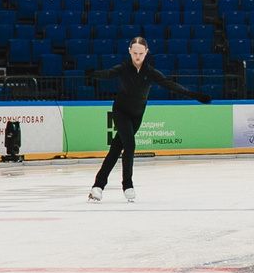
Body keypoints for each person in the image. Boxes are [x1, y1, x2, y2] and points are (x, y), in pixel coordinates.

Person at [87, 35, 211, 197]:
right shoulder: (123, 68)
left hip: (137, 115)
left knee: (116, 148)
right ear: (130, 51)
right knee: (129, 145)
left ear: (146, 52)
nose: (137, 57)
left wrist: (195, 95)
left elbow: (169, 84)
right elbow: (107, 74)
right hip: (120, 111)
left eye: (141, 54)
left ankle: (98, 186)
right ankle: (128, 186)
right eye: (135, 53)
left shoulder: (150, 72)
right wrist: (91, 73)